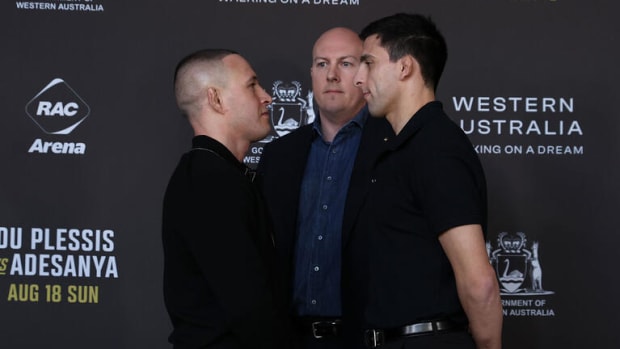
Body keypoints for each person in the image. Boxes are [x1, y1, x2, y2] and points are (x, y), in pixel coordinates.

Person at [352, 13, 503, 349]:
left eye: (368, 63)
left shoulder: (436, 148)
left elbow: (480, 283)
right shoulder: (402, 147)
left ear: (405, 67)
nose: (358, 79)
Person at [256, 28, 393, 349]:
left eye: (345, 64)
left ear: (364, 73)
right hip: (291, 338)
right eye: (321, 64)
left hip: (369, 338)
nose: (331, 75)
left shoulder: (393, 148)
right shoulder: (279, 155)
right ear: (311, 74)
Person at [162, 49, 289, 349]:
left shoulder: (220, 175)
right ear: (216, 100)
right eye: (252, 85)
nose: (267, 96)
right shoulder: (208, 182)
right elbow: (248, 304)